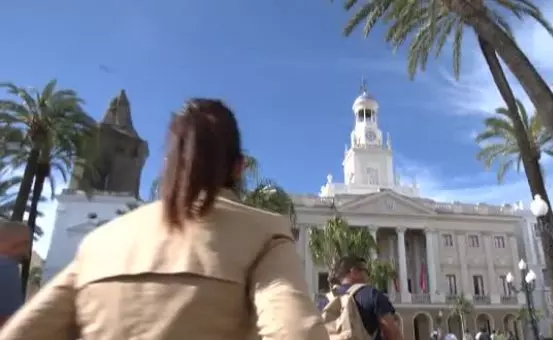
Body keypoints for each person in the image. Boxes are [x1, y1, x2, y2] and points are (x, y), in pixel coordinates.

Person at [0, 99, 329, 340]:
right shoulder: (263, 232)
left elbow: (22, 332)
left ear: (170, 163)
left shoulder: (101, 242)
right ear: (239, 167)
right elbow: (296, 332)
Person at [320, 256, 401, 340]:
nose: (369, 276)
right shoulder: (372, 294)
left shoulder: (323, 301)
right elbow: (392, 333)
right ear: (354, 271)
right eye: (366, 271)